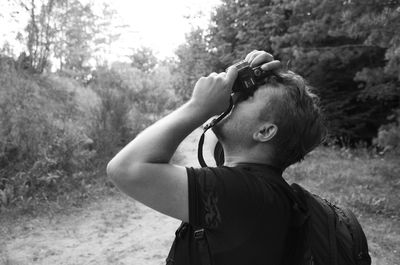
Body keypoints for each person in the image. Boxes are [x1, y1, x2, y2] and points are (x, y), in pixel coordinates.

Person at [106, 50, 326, 265]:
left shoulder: (239, 191)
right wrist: (242, 71)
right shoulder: (265, 191)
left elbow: (126, 168)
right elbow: (216, 132)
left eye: (247, 98)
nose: (236, 97)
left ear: (265, 132)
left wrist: (198, 106)